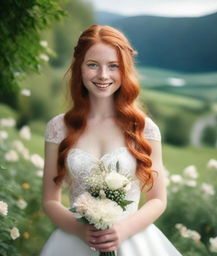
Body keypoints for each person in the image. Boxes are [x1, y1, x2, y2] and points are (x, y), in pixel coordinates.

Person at [40, 24, 182, 256]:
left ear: (124, 70)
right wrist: (80, 231)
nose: (103, 75)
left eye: (113, 66)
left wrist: (123, 230)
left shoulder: (144, 129)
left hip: (133, 240)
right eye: (93, 65)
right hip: (74, 242)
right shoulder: (58, 128)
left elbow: (157, 200)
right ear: (79, 68)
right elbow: (50, 201)